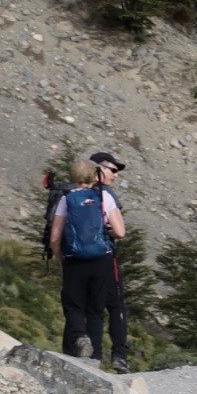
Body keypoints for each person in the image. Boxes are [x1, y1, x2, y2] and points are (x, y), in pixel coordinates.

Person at [46, 155, 128, 368]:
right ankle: (96, 359)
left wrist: (60, 257)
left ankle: (81, 338)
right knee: (96, 309)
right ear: (94, 175)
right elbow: (120, 232)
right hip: (101, 259)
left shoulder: (66, 198)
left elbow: (55, 237)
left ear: (73, 176)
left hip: (74, 260)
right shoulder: (104, 197)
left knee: (73, 305)